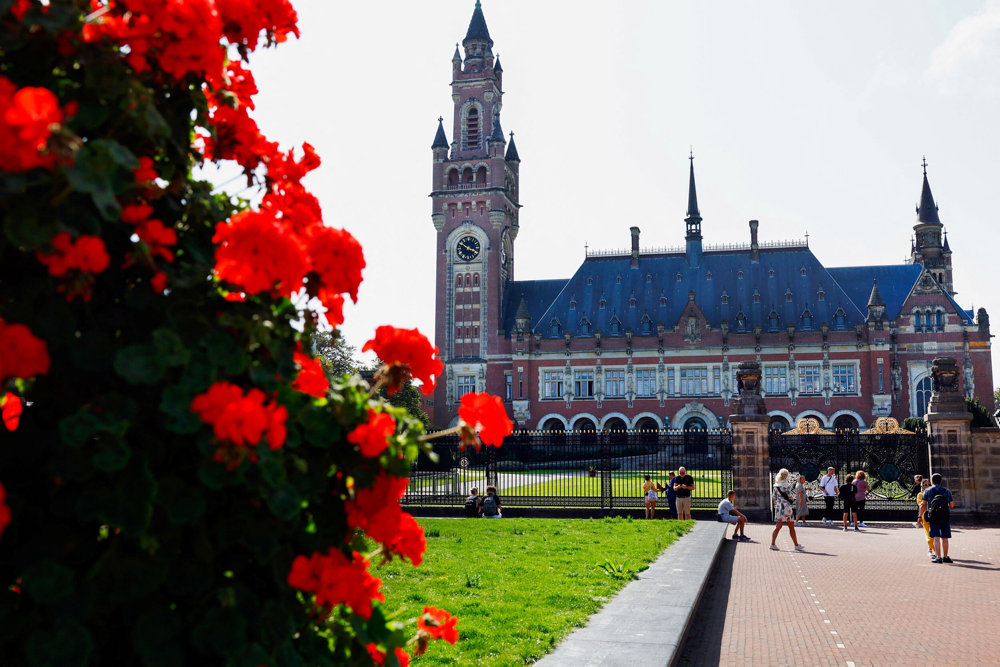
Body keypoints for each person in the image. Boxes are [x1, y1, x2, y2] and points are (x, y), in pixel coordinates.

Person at [922, 473, 955, 563]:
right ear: (941, 481)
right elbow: (952, 505)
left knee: (936, 537)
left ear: (932, 481)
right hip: (945, 516)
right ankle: (945, 556)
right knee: (945, 538)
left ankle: (938, 557)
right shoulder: (947, 491)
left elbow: (923, 504)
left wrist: (919, 516)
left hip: (933, 516)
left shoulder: (927, 491)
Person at [770, 468, 805, 551]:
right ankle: (796, 545)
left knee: (778, 526)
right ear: (786, 476)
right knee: (791, 527)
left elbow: (774, 498)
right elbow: (790, 497)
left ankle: (772, 543)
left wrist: (779, 500)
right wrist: (792, 499)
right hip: (787, 507)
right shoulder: (787, 485)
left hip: (779, 507)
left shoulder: (775, 485)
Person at [916, 477, 935, 559]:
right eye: (925, 484)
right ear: (922, 486)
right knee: (928, 534)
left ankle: (931, 549)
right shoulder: (920, 495)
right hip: (926, 515)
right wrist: (919, 517)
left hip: (934, 514)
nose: (927, 486)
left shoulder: (934, 493)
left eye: (929, 484)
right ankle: (933, 550)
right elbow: (921, 505)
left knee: (934, 533)